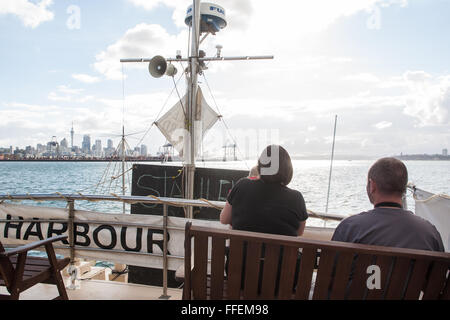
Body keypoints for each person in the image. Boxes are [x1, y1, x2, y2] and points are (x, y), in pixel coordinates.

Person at [332, 157, 444, 252]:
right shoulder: (430, 233)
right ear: (404, 187)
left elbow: (331, 272)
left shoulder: (349, 228)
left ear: (372, 186)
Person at [220, 145, 308, 237]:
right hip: (278, 251)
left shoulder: (242, 185)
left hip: (242, 251)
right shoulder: (296, 198)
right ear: (288, 169)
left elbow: (224, 219)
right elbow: (299, 232)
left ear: (261, 165)